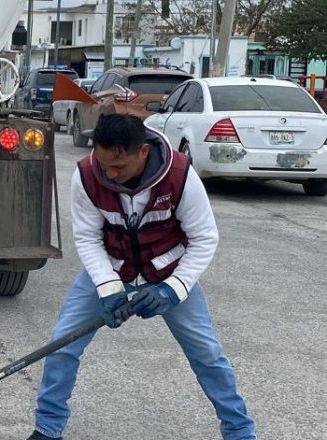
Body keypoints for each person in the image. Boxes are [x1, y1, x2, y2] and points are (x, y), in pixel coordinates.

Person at [28, 114, 256, 440]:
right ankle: (47, 429)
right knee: (62, 346)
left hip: (169, 272)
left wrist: (172, 289)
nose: (110, 174)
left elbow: (204, 238)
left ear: (143, 152)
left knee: (207, 355)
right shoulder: (88, 175)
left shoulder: (180, 175)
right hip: (111, 268)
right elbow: (88, 238)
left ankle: (240, 431)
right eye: (105, 164)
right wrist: (108, 288)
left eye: (119, 166)